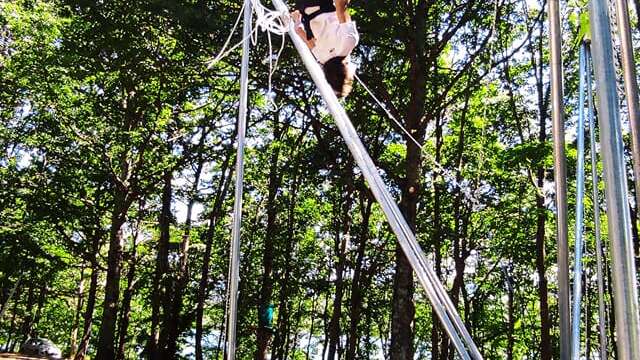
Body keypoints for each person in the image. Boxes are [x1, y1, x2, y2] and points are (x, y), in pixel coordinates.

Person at [291, 0, 359, 98]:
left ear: (347, 74)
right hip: (303, 6)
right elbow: (299, 31)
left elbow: (340, 5)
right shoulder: (321, 57)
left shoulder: (349, 42)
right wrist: (297, 19)